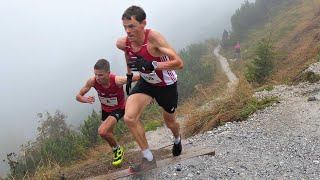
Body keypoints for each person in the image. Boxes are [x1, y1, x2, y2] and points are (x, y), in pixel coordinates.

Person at [116, 5, 184, 174]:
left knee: (170, 122)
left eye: (132, 26)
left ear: (143, 23)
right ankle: (148, 158)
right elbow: (128, 54)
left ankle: (177, 139)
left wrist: (152, 64)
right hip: (146, 83)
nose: (128, 31)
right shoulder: (124, 43)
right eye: (125, 27)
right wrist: (130, 75)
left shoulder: (154, 38)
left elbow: (178, 63)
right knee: (130, 117)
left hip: (166, 84)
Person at [76, 59, 139, 166]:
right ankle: (117, 151)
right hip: (105, 109)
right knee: (108, 134)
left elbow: (139, 77)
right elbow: (78, 96)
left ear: (108, 73)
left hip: (119, 108)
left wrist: (145, 93)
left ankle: (118, 150)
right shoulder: (92, 81)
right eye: (96, 74)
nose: (98, 78)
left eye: (101, 75)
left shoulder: (117, 80)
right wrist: (85, 99)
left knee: (102, 131)